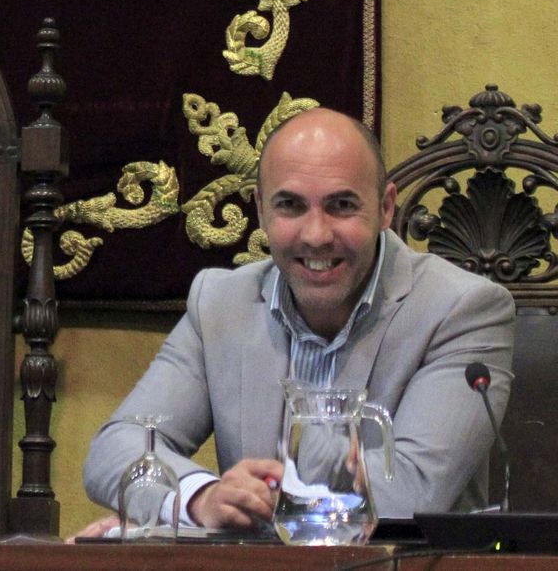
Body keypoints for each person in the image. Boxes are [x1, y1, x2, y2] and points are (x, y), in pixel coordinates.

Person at [81, 107, 515, 534]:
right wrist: (198, 500)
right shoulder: (220, 302)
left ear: (385, 208)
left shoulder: (463, 309)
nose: (316, 235)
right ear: (261, 209)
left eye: (341, 205)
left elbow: (409, 497)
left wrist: (251, 499)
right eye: (290, 206)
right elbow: (115, 448)